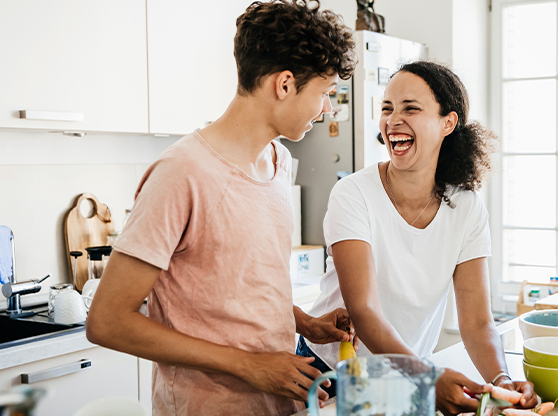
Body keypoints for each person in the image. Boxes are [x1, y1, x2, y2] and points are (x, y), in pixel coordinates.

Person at [86, 1, 357, 414]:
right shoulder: (182, 173)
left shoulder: (278, 162)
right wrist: (250, 366)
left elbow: (233, 288)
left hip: (280, 404)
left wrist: (302, 321)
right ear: (284, 85)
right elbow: (107, 321)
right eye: (324, 94)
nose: (326, 110)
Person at [297, 61, 539, 415]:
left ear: (448, 123)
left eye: (410, 108)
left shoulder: (467, 208)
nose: (393, 120)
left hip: (406, 375)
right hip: (331, 374)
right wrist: (425, 375)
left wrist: (501, 380)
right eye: (387, 108)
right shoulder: (353, 194)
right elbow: (364, 311)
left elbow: (477, 322)